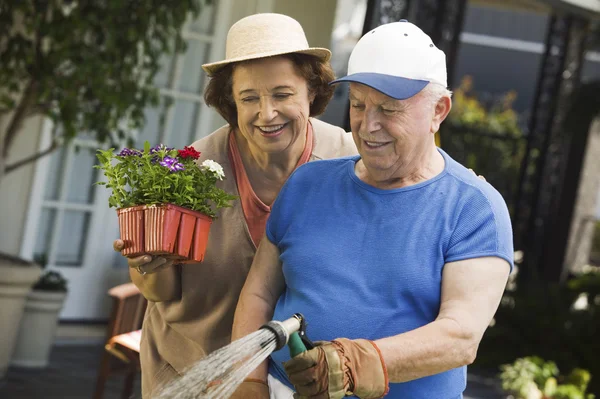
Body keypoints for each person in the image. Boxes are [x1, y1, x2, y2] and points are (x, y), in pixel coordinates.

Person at [231, 20, 514, 399]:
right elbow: (258, 295)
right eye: (359, 105)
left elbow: (460, 335)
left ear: (438, 111)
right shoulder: (306, 184)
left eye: (389, 109)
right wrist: (249, 383)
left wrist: (357, 362)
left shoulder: (474, 208)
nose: (368, 125)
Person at [112, 13, 358, 398]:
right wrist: (145, 264)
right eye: (249, 98)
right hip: (190, 369)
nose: (266, 113)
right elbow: (160, 292)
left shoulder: (349, 161)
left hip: (297, 380)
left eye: (281, 94)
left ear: (311, 90)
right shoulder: (190, 172)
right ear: (230, 101)